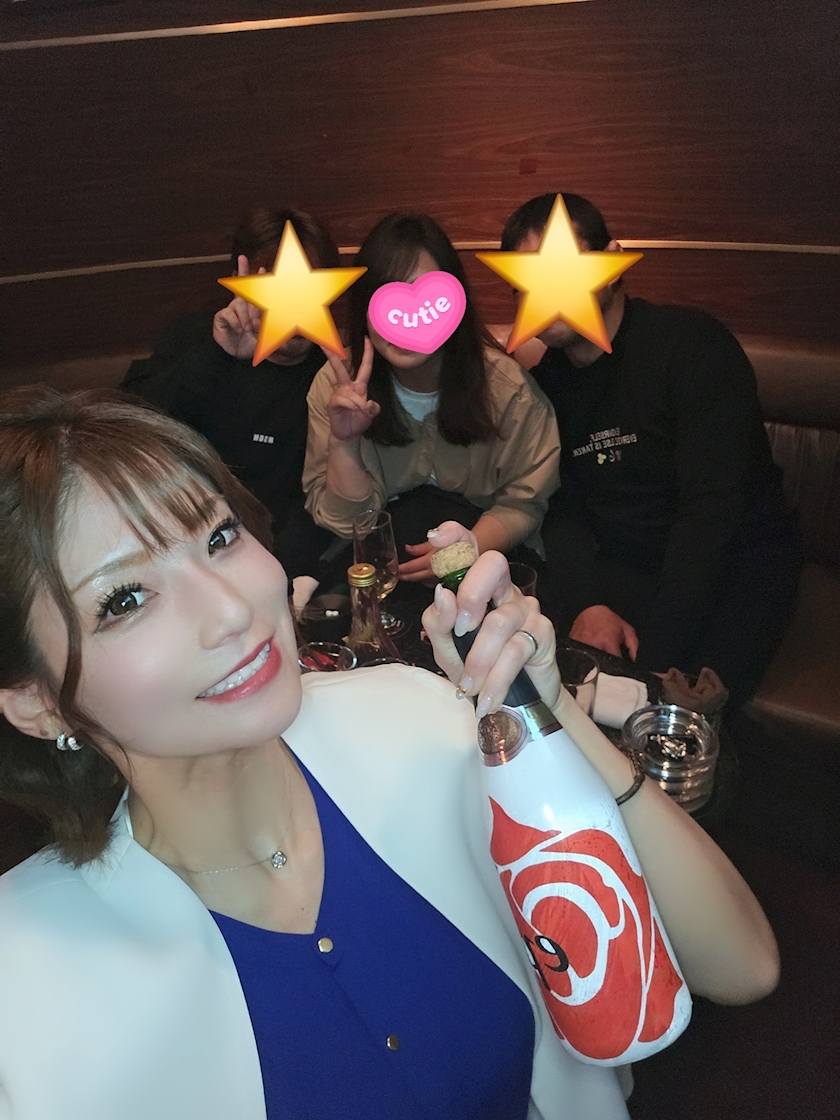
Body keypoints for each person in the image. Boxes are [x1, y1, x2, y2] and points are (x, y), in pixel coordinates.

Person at [0, 387, 778, 1120]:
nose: (232, 609)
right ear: (36, 701)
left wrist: (544, 708)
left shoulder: (415, 724)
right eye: (125, 599)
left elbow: (741, 965)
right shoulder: (27, 983)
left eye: (219, 537)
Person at [500, 193, 802, 704]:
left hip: (733, 567)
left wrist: (653, 660)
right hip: (622, 569)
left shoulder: (692, 346)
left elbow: (713, 513)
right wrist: (588, 604)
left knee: (668, 715)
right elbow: (561, 508)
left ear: (612, 262)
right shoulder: (548, 385)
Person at [302, 212, 561, 583]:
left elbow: (525, 503)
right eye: (388, 299)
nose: (406, 318)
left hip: (486, 566)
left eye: (426, 298)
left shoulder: (509, 390)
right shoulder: (334, 386)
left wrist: (466, 550)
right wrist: (344, 444)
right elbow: (346, 525)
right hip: (379, 570)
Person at [123, 205, 338, 576]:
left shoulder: (331, 376)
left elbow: (315, 505)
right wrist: (217, 354)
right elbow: (128, 426)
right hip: (183, 550)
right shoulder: (196, 340)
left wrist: (276, 575)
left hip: (279, 561)